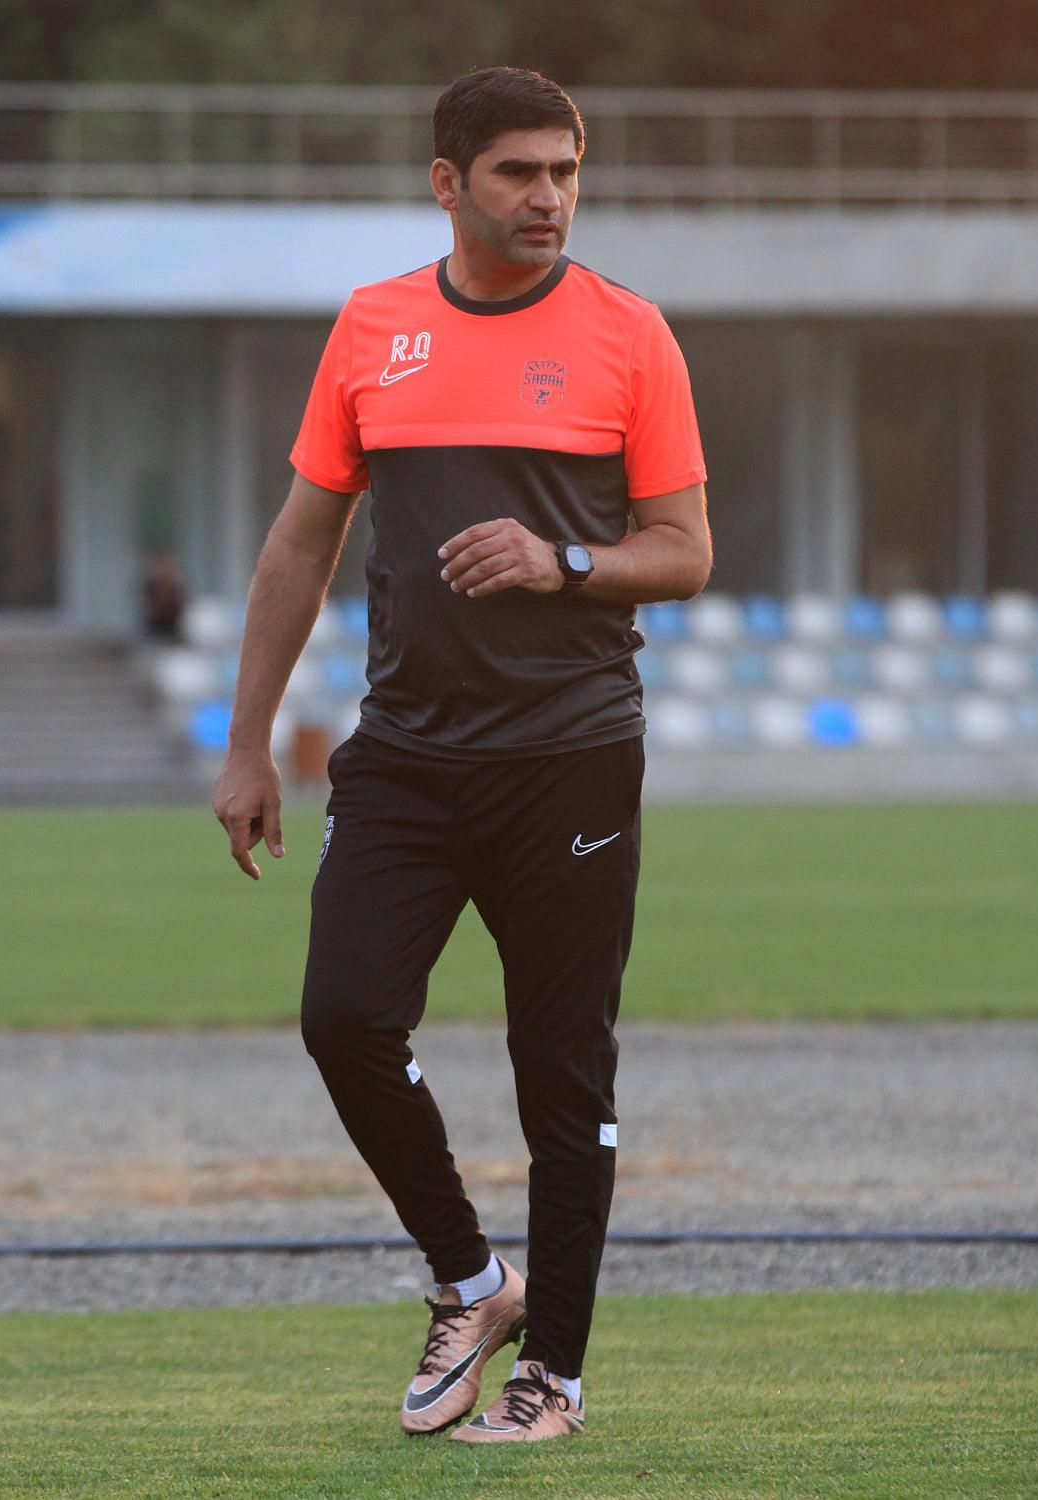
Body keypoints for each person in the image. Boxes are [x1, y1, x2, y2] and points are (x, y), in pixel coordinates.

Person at [213, 66, 711, 1443]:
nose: (550, 197)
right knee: (343, 1017)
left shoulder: (629, 334)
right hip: (406, 755)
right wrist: (246, 743)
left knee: (562, 1067)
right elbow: (301, 542)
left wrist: (562, 560)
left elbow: (685, 550)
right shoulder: (373, 328)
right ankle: (472, 1284)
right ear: (447, 185)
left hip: (571, 755)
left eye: (566, 171)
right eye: (518, 173)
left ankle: (555, 1377)